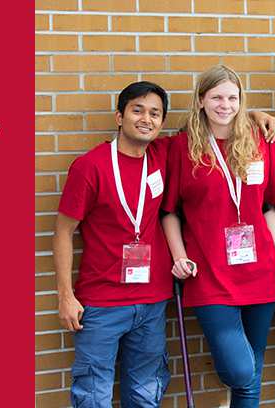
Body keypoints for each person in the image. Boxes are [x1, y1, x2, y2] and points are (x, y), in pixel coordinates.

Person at [160, 65, 275, 407]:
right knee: (241, 370)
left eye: (233, 98)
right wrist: (180, 256)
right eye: (217, 97)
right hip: (209, 274)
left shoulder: (258, 142)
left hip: (260, 271)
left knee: (250, 381)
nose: (225, 105)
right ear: (201, 100)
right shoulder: (181, 147)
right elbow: (169, 211)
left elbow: (269, 206)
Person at [53, 81, 173, 408]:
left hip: (152, 301)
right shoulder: (90, 166)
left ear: (162, 122)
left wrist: (256, 115)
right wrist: (65, 296)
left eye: (155, 113)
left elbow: (216, 122)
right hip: (101, 304)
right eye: (137, 110)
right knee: (93, 397)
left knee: (145, 397)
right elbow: (63, 232)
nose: (146, 119)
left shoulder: (163, 155)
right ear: (119, 117)